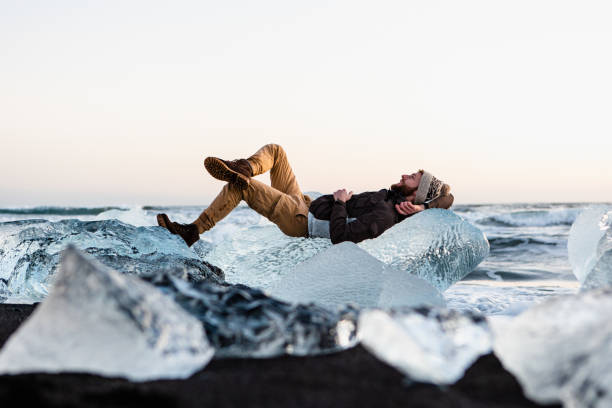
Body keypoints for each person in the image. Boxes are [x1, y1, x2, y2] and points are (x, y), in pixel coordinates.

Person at [156, 144, 454, 247]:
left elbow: (342, 236)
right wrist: (426, 208)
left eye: (412, 177)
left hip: (301, 220)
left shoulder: (386, 215)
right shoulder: (392, 201)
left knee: (239, 186)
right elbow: (447, 198)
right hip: (308, 204)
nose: (405, 175)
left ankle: (192, 231)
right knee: (276, 151)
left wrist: (339, 202)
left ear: (417, 192)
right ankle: (244, 166)